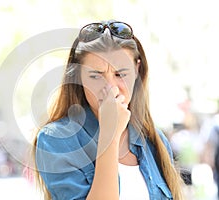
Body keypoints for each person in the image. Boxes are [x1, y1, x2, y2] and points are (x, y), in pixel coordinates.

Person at [32, 20, 184, 199]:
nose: (111, 88)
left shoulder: (153, 140)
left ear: (137, 70)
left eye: (120, 74)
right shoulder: (56, 140)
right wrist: (110, 133)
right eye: (96, 76)